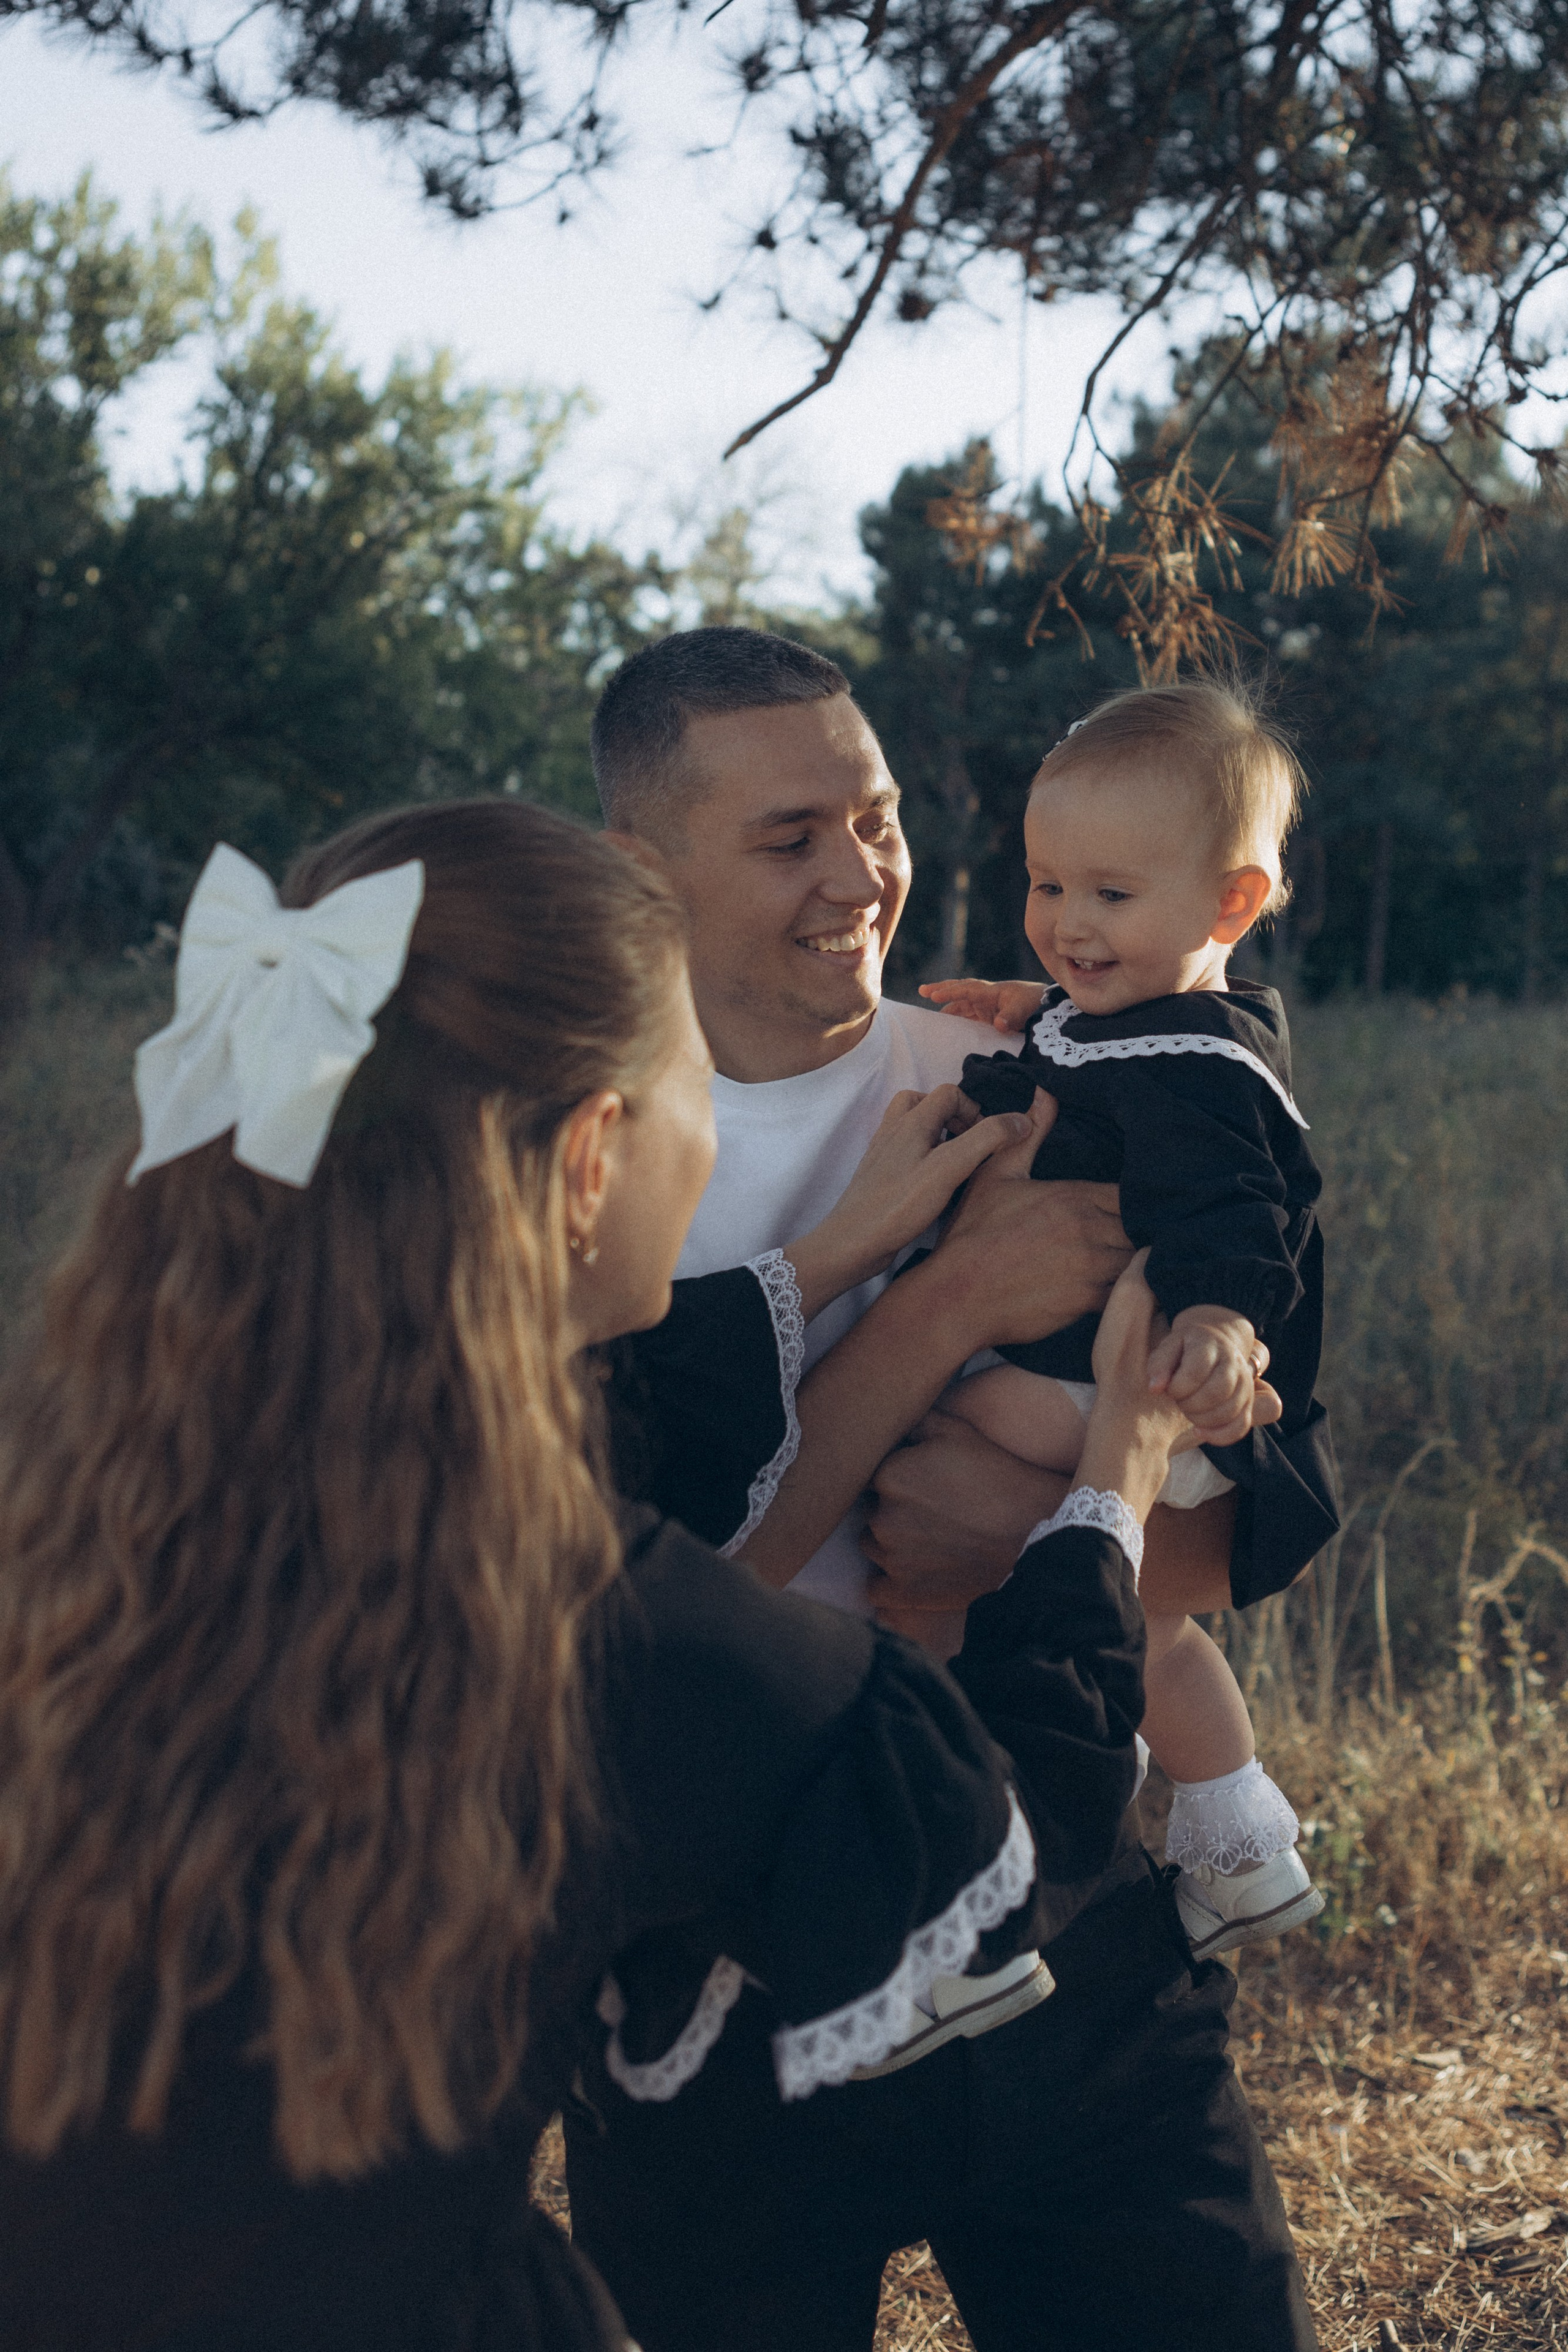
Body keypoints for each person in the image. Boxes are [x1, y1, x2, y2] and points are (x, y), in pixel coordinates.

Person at [0, 800, 1158, 2352]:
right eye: (692, 1086)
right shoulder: (604, 1635)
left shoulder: (64, 1511)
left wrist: (880, 1273)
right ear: (592, 1155)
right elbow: (1011, 1847)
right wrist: (1113, 1487)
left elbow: (645, 1383)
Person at [565, 626, 1319, 2351]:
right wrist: (949, 1304)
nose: (860, 875)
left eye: (879, 815)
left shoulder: (1040, 1068)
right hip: (722, 1987)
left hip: (1068, 1905)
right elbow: (646, 1594)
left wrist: (1071, 1537)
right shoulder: (575, 1159)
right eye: (788, 838)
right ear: (639, 866)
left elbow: (1241, 1505)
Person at [925, 676, 1339, 1958]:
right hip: (1118, 1377)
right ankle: (1235, 1831)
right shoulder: (1144, 1023)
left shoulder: (1199, 1066)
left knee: (926, 1415)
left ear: (1232, 903)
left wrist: (1220, 1321)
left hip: (1145, 1375)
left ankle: (1000, 1836)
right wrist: (1024, 1008)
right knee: (1142, 1623)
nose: (1065, 922)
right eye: (1047, 886)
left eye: (1109, 895)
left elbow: (1234, 1210)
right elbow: (1083, 1073)